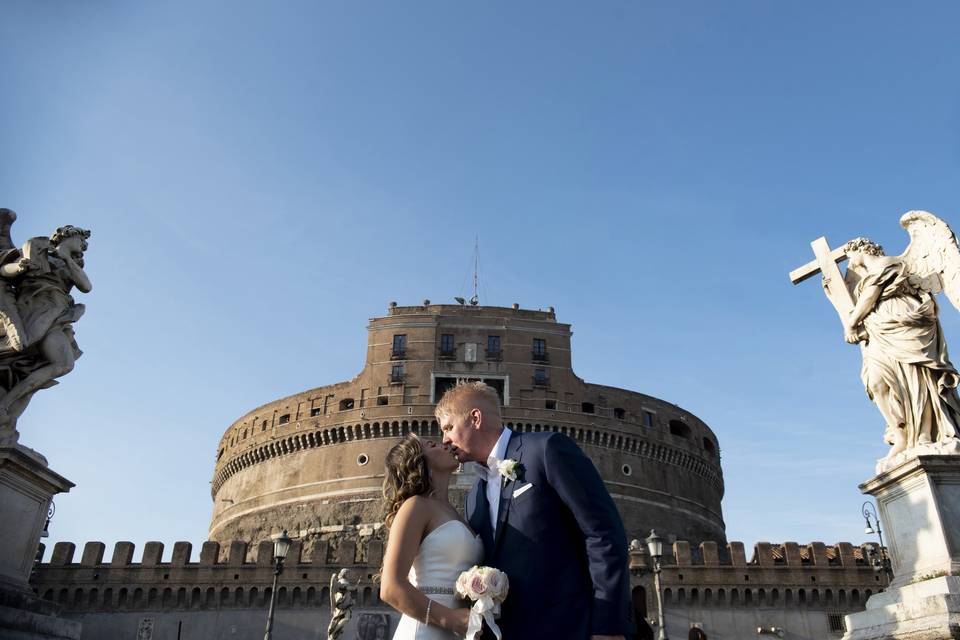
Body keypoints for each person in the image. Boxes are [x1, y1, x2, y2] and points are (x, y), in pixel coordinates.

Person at [438, 381, 633, 639]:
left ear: (475, 418)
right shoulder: (474, 496)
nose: (444, 440)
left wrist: (608, 627)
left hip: (573, 627)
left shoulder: (546, 449)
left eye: (449, 427)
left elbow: (603, 533)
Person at [843, 237, 960, 458]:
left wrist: (851, 323)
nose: (850, 263)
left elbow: (870, 296)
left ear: (859, 249)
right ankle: (900, 433)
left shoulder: (887, 263)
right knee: (875, 382)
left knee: (916, 378)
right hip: (879, 327)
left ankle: (924, 433)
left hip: (902, 319)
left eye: (850, 257)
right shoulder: (867, 274)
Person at [379, 433, 479, 639]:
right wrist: (449, 618)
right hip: (427, 630)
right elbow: (390, 587)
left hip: (459, 630)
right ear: (419, 461)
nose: (444, 444)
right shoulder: (415, 506)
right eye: (432, 445)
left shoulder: (455, 511)